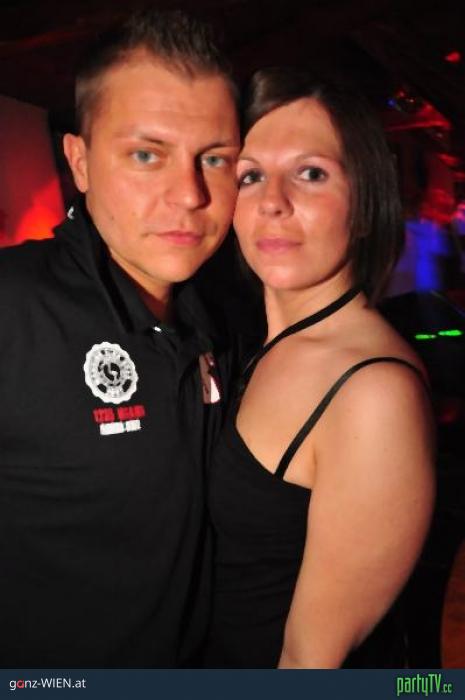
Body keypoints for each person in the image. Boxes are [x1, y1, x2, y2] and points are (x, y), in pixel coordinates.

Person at [0, 9, 240, 667]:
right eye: (145, 155)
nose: (189, 194)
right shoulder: (13, 311)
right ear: (78, 161)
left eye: (214, 159)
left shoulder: (223, 319)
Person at [205, 68, 435, 668]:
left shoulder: (373, 393)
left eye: (310, 173)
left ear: (365, 201)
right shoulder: (259, 346)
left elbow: (311, 661)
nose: (273, 202)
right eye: (250, 175)